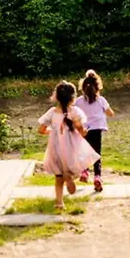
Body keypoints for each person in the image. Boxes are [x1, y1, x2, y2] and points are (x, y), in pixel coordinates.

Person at [38, 81, 100, 210]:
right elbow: (81, 130)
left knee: (58, 176)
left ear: (56, 97)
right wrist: (85, 132)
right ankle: (70, 177)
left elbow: (41, 130)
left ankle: (59, 202)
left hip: (56, 147)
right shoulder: (75, 112)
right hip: (71, 147)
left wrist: (52, 131)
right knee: (76, 165)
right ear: (73, 98)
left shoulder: (52, 112)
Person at [74, 70, 115, 192]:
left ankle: (85, 171)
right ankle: (97, 177)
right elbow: (110, 113)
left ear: (83, 88)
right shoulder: (101, 100)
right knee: (97, 154)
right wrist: (109, 113)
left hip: (84, 130)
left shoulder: (79, 101)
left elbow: (74, 113)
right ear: (98, 87)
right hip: (97, 130)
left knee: (85, 152)